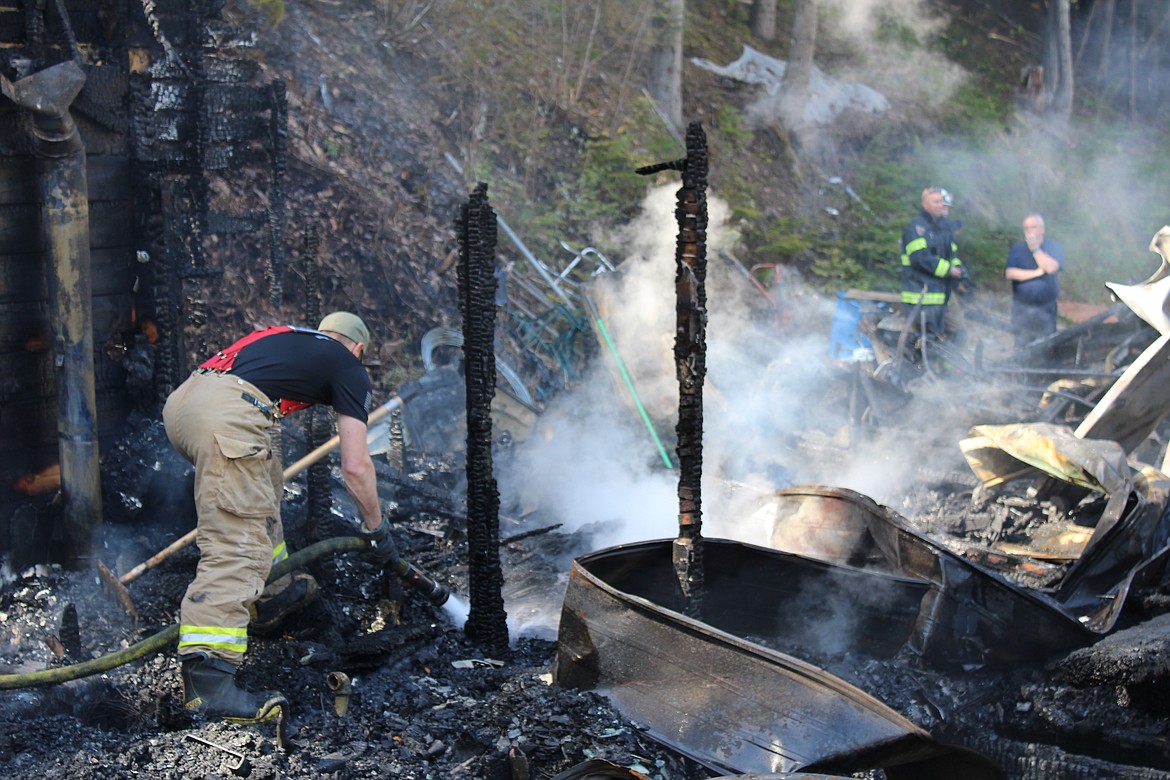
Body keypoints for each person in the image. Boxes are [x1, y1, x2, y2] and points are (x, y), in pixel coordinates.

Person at [162, 311, 400, 724]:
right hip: (226, 415)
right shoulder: (349, 366)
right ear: (358, 347)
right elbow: (357, 467)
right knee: (238, 545)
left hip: (185, 403)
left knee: (263, 487)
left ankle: (271, 596)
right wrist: (376, 526)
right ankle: (208, 683)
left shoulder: (287, 335)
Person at [900, 186, 965, 337]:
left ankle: (952, 361)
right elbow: (919, 259)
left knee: (958, 333)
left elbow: (952, 254)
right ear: (925, 205)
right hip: (921, 295)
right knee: (929, 340)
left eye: (941, 201)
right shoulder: (916, 228)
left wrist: (958, 268)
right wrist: (948, 270)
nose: (940, 205)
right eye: (935, 202)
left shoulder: (942, 229)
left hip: (942, 294)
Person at [1004, 214, 1063, 348]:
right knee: (1021, 347)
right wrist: (1036, 273)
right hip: (1021, 308)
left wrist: (1035, 250)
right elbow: (1010, 273)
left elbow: (1051, 268)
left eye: (1033, 227)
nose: (1029, 231)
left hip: (1045, 308)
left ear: (1042, 230)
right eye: (1026, 228)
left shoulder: (1053, 247)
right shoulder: (1018, 248)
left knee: (1046, 346)